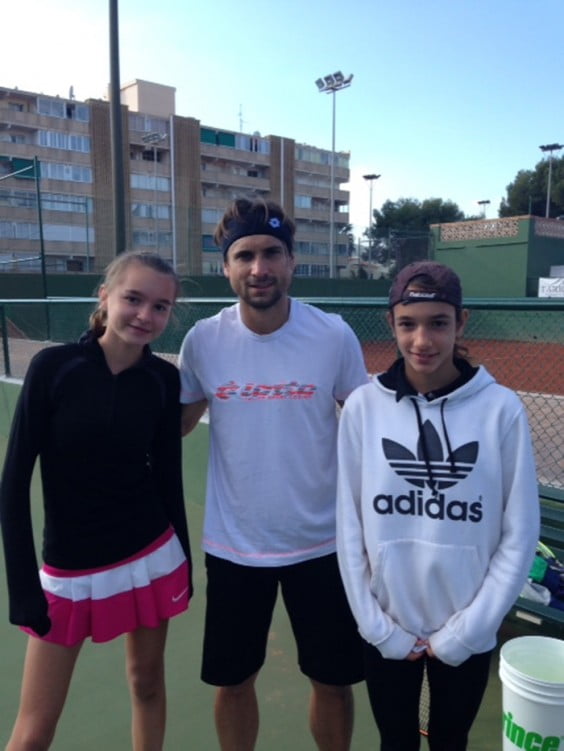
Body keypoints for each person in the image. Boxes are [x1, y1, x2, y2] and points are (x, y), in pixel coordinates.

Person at [178, 197, 369, 751]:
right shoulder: (202, 342)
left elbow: (363, 426)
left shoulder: (332, 335)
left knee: (333, 681)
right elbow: (179, 424)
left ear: (291, 262)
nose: (258, 268)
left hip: (322, 544)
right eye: (245, 256)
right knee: (233, 681)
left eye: (271, 254)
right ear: (226, 267)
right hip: (235, 547)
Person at [336, 260, 540, 751]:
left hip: (467, 629)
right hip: (387, 625)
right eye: (408, 324)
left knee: (451, 740)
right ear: (391, 324)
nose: (422, 340)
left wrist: (470, 630)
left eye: (438, 323)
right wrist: (376, 627)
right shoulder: (364, 408)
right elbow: (348, 525)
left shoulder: (501, 410)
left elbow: (520, 531)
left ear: (461, 323)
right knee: (395, 741)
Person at [0, 250, 192, 751]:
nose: (146, 315)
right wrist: (22, 590)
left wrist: (185, 563)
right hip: (68, 571)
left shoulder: (162, 379)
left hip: (150, 558)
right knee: (34, 730)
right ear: (105, 297)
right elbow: (14, 481)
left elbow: (168, 476)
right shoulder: (53, 368)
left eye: (161, 306)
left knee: (146, 685)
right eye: (134, 299)